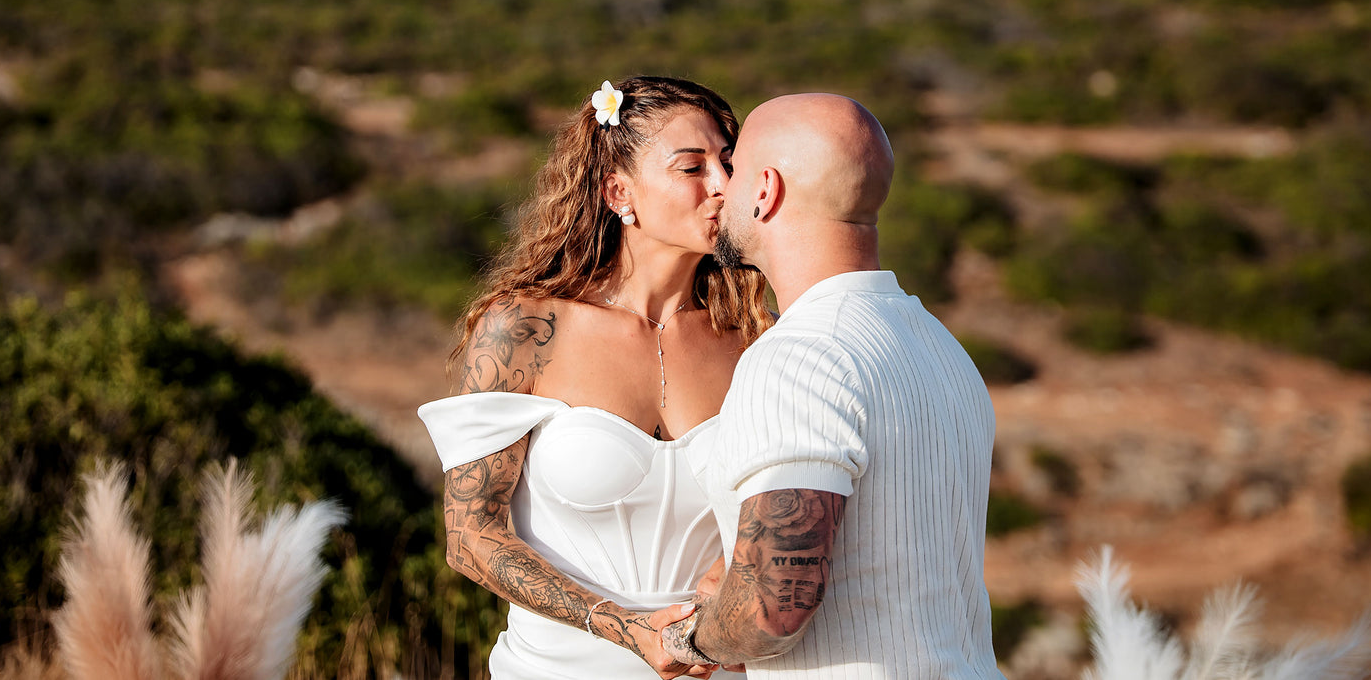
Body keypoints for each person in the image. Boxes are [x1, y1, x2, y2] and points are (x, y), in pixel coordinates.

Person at [418, 76, 773, 679]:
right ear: (618, 193)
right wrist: (624, 628)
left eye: (728, 163)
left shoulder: (754, 338)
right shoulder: (525, 330)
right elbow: (471, 537)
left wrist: (731, 569)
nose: (721, 186)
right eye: (691, 167)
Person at [661, 94, 1006, 679]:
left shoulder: (801, 355)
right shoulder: (939, 344)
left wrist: (689, 639)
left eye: (735, 169)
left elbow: (773, 608)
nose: (720, 189)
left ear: (765, 190)